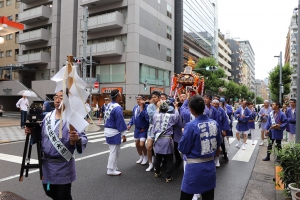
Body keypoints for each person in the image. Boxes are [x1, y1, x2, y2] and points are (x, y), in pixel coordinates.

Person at [24, 91, 88, 200]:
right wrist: (31, 131)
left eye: (61, 98)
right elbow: (40, 134)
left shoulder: (73, 118)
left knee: (63, 195)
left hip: (63, 166)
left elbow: (83, 138)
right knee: (49, 192)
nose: (57, 100)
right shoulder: (47, 117)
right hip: (47, 165)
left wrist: (77, 139)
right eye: (55, 97)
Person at [179, 95, 221, 200]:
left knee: (186, 195)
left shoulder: (190, 125)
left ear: (191, 110)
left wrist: (184, 134)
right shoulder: (214, 123)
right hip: (210, 165)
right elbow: (218, 145)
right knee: (208, 195)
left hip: (194, 168)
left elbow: (183, 148)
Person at [152, 101, 179, 182]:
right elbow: (177, 116)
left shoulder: (155, 116)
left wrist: (158, 106)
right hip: (167, 139)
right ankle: (168, 176)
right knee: (169, 159)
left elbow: (156, 112)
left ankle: (157, 172)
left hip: (158, 138)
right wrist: (176, 107)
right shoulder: (170, 116)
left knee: (158, 157)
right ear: (167, 109)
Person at [104, 90, 127, 175]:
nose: (121, 97)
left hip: (108, 130)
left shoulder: (109, 105)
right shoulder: (117, 107)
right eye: (121, 95)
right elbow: (120, 121)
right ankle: (110, 169)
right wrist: (124, 134)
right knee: (114, 151)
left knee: (114, 151)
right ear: (117, 97)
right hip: (114, 131)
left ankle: (113, 167)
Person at [127, 95, 149, 165]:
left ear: (143, 100)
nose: (138, 101)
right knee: (137, 144)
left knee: (142, 144)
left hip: (144, 128)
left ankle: (145, 157)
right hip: (137, 128)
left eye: (140, 99)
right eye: (137, 99)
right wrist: (130, 124)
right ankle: (141, 156)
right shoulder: (135, 107)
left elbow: (143, 116)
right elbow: (133, 117)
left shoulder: (147, 107)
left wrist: (142, 106)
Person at [145, 91, 161, 171]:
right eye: (153, 97)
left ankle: (158, 163)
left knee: (158, 147)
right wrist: (158, 109)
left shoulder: (163, 105)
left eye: (155, 97)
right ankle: (150, 163)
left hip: (160, 128)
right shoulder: (150, 106)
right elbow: (152, 115)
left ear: (159, 98)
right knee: (149, 147)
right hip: (151, 128)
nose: (154, 98)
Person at [212, 99, 230, 167]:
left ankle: (225, 157)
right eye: (213, 103)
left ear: (218, 104)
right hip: (212, 129)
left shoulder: (221, 110)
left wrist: (224, 130)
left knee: (221, 144)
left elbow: (225, 120)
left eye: (215, 104)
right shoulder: (210, 110)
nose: (214, 105)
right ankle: (213, 159)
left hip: (220, 129)